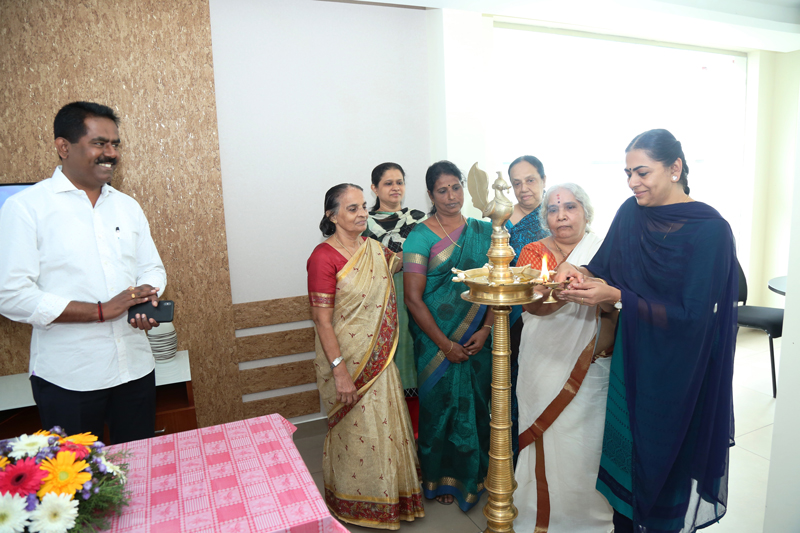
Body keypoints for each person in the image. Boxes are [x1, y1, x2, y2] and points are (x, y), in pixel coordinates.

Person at [556, 129, 737, 533]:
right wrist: (576, 270)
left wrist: (618, 296)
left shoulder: (710, 230)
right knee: (627, 469)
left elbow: (694, 317)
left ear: (675, 168)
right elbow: (603, 268)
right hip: (633, 357)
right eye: (627, 173)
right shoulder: (631, 212)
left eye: (642, 172)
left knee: (662, 467)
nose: (633, 182)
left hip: (678, 370)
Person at [0, 101, 167, 444]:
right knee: (80, 487)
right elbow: (11, 294)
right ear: (64, 147)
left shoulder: (126, 206)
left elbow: (151, 266)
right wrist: (100, 312)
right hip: (69, 380)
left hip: (134, 369)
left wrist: (145, 297)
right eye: (99, 143)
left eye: (115, 144)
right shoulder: (26, 208)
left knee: (140, 471)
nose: (111, 153)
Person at [307, 183, 424, 530]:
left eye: (363, 208)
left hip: (380, 361)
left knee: (384, 429)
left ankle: (391, 499)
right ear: (333, 215)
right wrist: (339, 371)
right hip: (346, 361)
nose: (361, 214)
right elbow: (321, 320)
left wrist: (434, 237)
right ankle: (353, 501)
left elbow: (403, 265)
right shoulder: (322, 257)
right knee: (354, 433)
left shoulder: (374, 249)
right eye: (352, 209)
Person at [514, 183, 615, 532]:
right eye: (554, 210)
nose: (562, 215)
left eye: (570, 207)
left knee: (585, 445)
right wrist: (557, 294)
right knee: (546, 436)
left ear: (585, 212)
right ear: (546, 218)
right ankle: (539, 517)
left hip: (593, 364)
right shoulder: (532, 252)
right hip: (543, 360)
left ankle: (586, 520)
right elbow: (529, 305)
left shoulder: (605, 250)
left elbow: (616, 304)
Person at [403, 160, 493, 510]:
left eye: (456, 187)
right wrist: (445, 344)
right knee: (439, 411)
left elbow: (492, 286)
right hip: (435, 342)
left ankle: (477, 475)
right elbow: (413, 297)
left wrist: (485, 329)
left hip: (477, 337)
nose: (452, 195)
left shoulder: (483, 231)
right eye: (443, 190)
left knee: (479, 407)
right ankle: (440, 477)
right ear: (430, 194)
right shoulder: (420, 236)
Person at [362, 162, 427, 437]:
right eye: (388, 183)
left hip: (417, 297)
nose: (395, 188)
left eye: (399, 182)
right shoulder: (361, 222)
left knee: (417, 357)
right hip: (378, 303)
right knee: (388, 361)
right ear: (375, 188)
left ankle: (419, 436)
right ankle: (391, 438)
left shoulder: (419, 219)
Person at [505, 155, 551, 465]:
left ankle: (544, 455)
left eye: (530, 180)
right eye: (517, 183)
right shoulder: (501, 218)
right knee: (509, 383)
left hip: (548, 314)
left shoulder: (557, 214)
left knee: (542, 383)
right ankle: (511, 456)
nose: (524, 189)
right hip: (507, 315)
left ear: (544, 180)